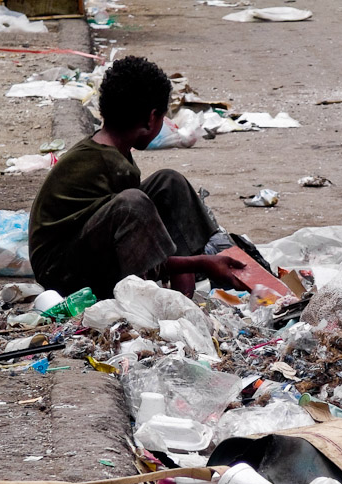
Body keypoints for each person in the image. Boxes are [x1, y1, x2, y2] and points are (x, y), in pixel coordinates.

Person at [28, 55, 247, 300]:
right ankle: (162, 298)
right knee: (134, 204)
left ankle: (184, 297)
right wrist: (201, 263)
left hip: (77, 251)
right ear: (152, 118)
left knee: (169, 182)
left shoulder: (107, 150)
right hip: (60, 274)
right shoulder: (112, 166)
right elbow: (141, 254)